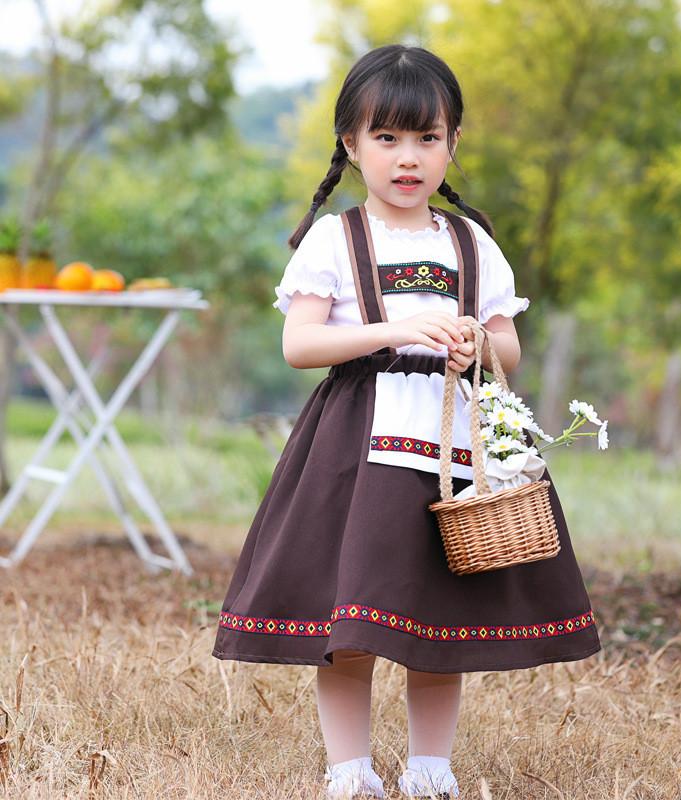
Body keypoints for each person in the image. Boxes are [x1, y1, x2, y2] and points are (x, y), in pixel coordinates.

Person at [212, 44, 601, 800]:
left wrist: (473, 342)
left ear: (454, 142)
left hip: (453, 445)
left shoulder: (470, 243)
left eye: (427, 138)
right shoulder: (336, 240)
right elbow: (301, 345)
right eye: (385, 138)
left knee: (438, 618)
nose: (407, 158)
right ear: (351, 146)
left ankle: (431, 768)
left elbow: (508, 348)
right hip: (357, 447)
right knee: (349, 619)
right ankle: (350, 769)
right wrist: (394, 333)